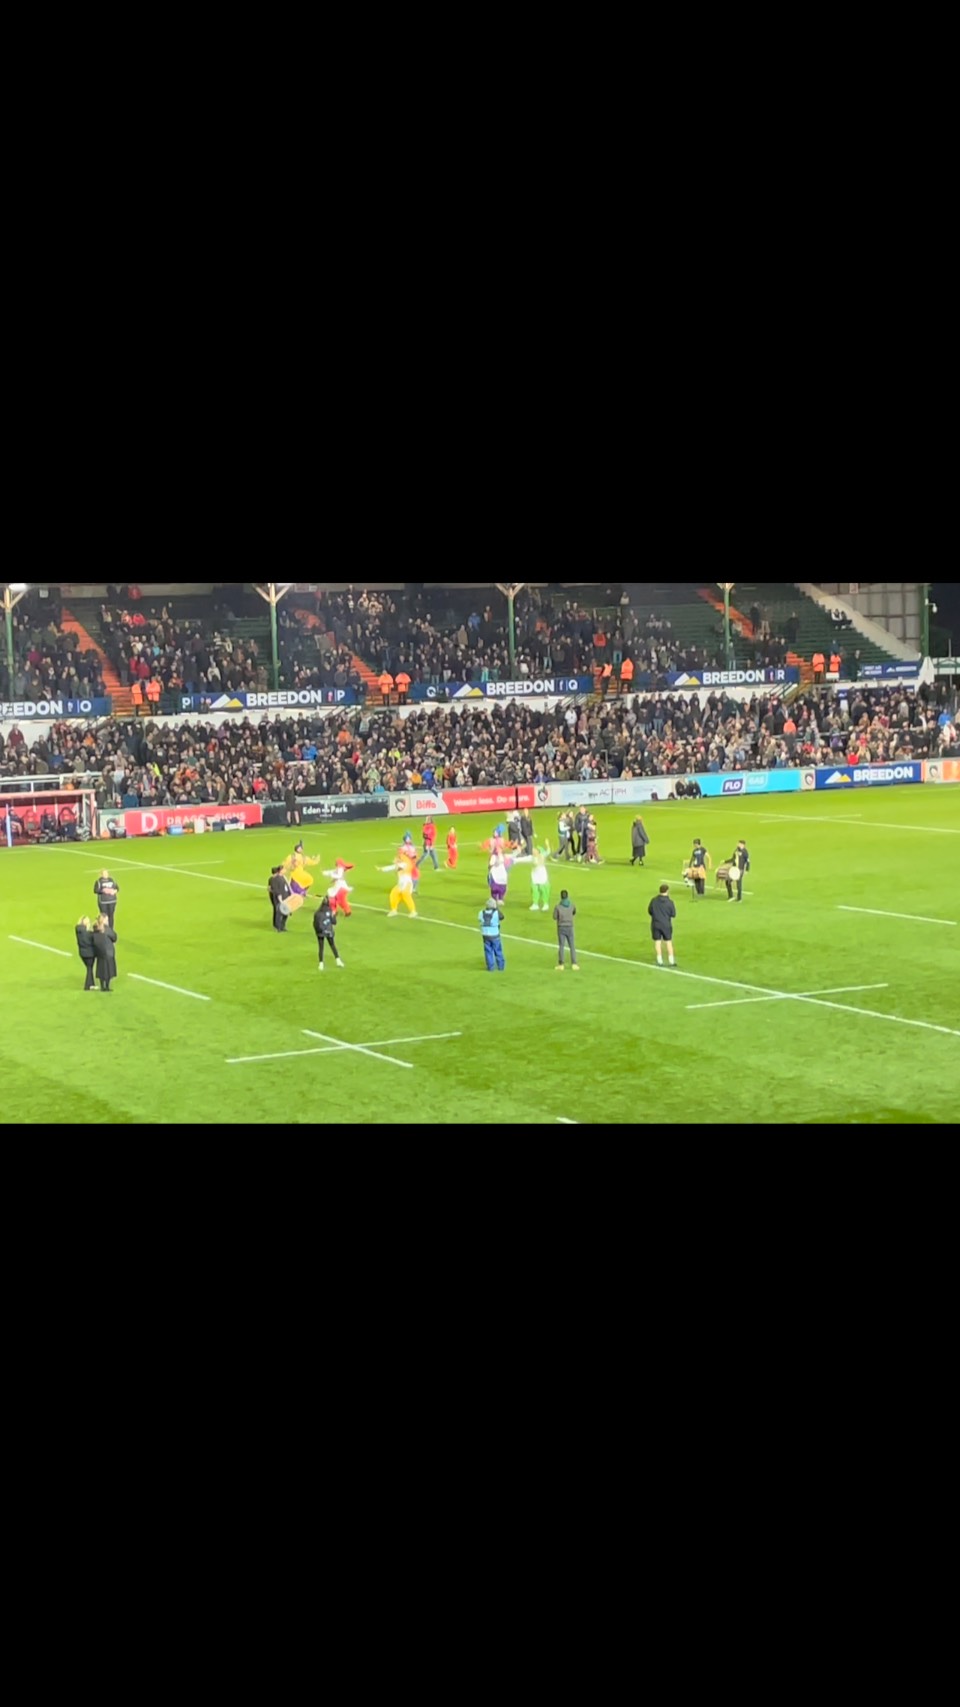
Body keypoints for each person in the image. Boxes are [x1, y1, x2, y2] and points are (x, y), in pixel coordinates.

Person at [649, 884, 677, 968]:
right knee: (668, 942)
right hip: (666, 925)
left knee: (657, 942)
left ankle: (659, 960)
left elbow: (650, 911)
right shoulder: (670, 902)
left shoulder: (654, 900)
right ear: (667, 891)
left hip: (656, 923)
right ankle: (671, 961)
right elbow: (673, 914)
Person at [313, 896, 345, 970]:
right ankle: (338, 961)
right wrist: (334, 915)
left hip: (320, 932)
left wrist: (317, 931)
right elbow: (334, 922)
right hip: (328, 931)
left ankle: (321, 964)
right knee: (332, 945)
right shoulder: (330, 911)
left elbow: (315, 923)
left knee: (321, 948)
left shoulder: (317, 913)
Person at [553, 890, 579, 972]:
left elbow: (554, 917)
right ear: (567, 896)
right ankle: (574, 964)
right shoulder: (572, 905)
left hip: (561, 927)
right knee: (572, 946)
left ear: (561, 897)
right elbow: (574, 912)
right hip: (570, 927)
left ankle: (561, 964)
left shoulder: (558, 907)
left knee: (561, 946)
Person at [92, 913, 118, 991]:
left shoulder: (95, 928)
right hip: (108, 952)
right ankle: (106, 986)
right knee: (108, 970)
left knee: (101, 969)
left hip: (99, 952)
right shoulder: (106, 929)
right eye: (106, 920)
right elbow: (114, 937)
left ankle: (102, 986)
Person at [479, 899, 506, 972]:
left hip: (485, 935)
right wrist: (496, 908)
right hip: (495, 935)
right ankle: (501, 966)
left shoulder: (481, 913)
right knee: (498, 950)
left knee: (488, 951)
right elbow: (502, 917)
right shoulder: (496, 913)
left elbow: (480, 920)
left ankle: (490, 967)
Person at [76, 915, 97, 990]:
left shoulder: (78, 931)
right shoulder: (87, 933)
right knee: (89, 969)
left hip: (82, 953)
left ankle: (91, 984)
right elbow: (89, 941)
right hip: (89, 953)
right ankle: (88, 986)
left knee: (89, 968)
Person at [269, 866, 292, 932]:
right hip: (280, 898)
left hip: (286, 897)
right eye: (284, 869)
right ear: (280, 870)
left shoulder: (283, 877)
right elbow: (277, 889)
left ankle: (282, 926)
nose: (285, 870)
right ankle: (278, 927)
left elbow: (286, 887)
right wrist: (280, 898)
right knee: (279, 913)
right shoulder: (276, 879)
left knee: (286, 912)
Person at [530, 840, 551, 911]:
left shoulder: (542, 856)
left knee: (543, 889)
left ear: (538, 851)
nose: (533, 851)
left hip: (541, 874)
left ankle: (545, 904)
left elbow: (548, 851)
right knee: (534, 889)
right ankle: (535, 904)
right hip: (535, 875)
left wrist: (547, 844)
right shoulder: (532, 857)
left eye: (535, 850)